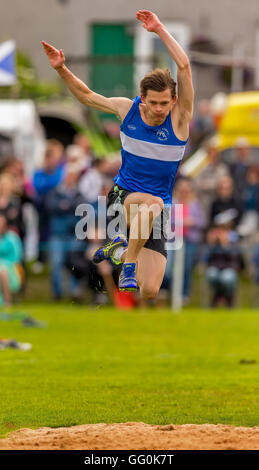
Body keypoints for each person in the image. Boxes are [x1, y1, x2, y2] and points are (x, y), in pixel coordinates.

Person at [42, 9, 194, 299]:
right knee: (149, 204)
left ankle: (121, 250)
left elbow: (184, 67)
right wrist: (61, 68)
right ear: (142, 100)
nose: (160, 109)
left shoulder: (180, 119)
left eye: (165, 103)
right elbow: (87, 96)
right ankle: (126, 260)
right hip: (124, 195)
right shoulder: (127, 110)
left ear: (173, 100)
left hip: (158, 208)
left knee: (149, 290)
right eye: (154, 103)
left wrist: (160, 29)